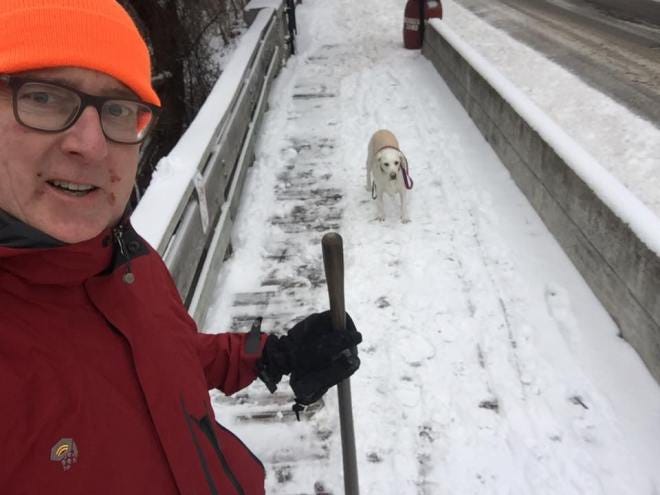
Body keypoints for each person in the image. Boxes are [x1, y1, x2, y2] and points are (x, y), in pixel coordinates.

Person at [0, 1, 362, 494]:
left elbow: (166, 357)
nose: (91, 143)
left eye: (119, 108)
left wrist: (270, 355)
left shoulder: (127, 258)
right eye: (44, 97)